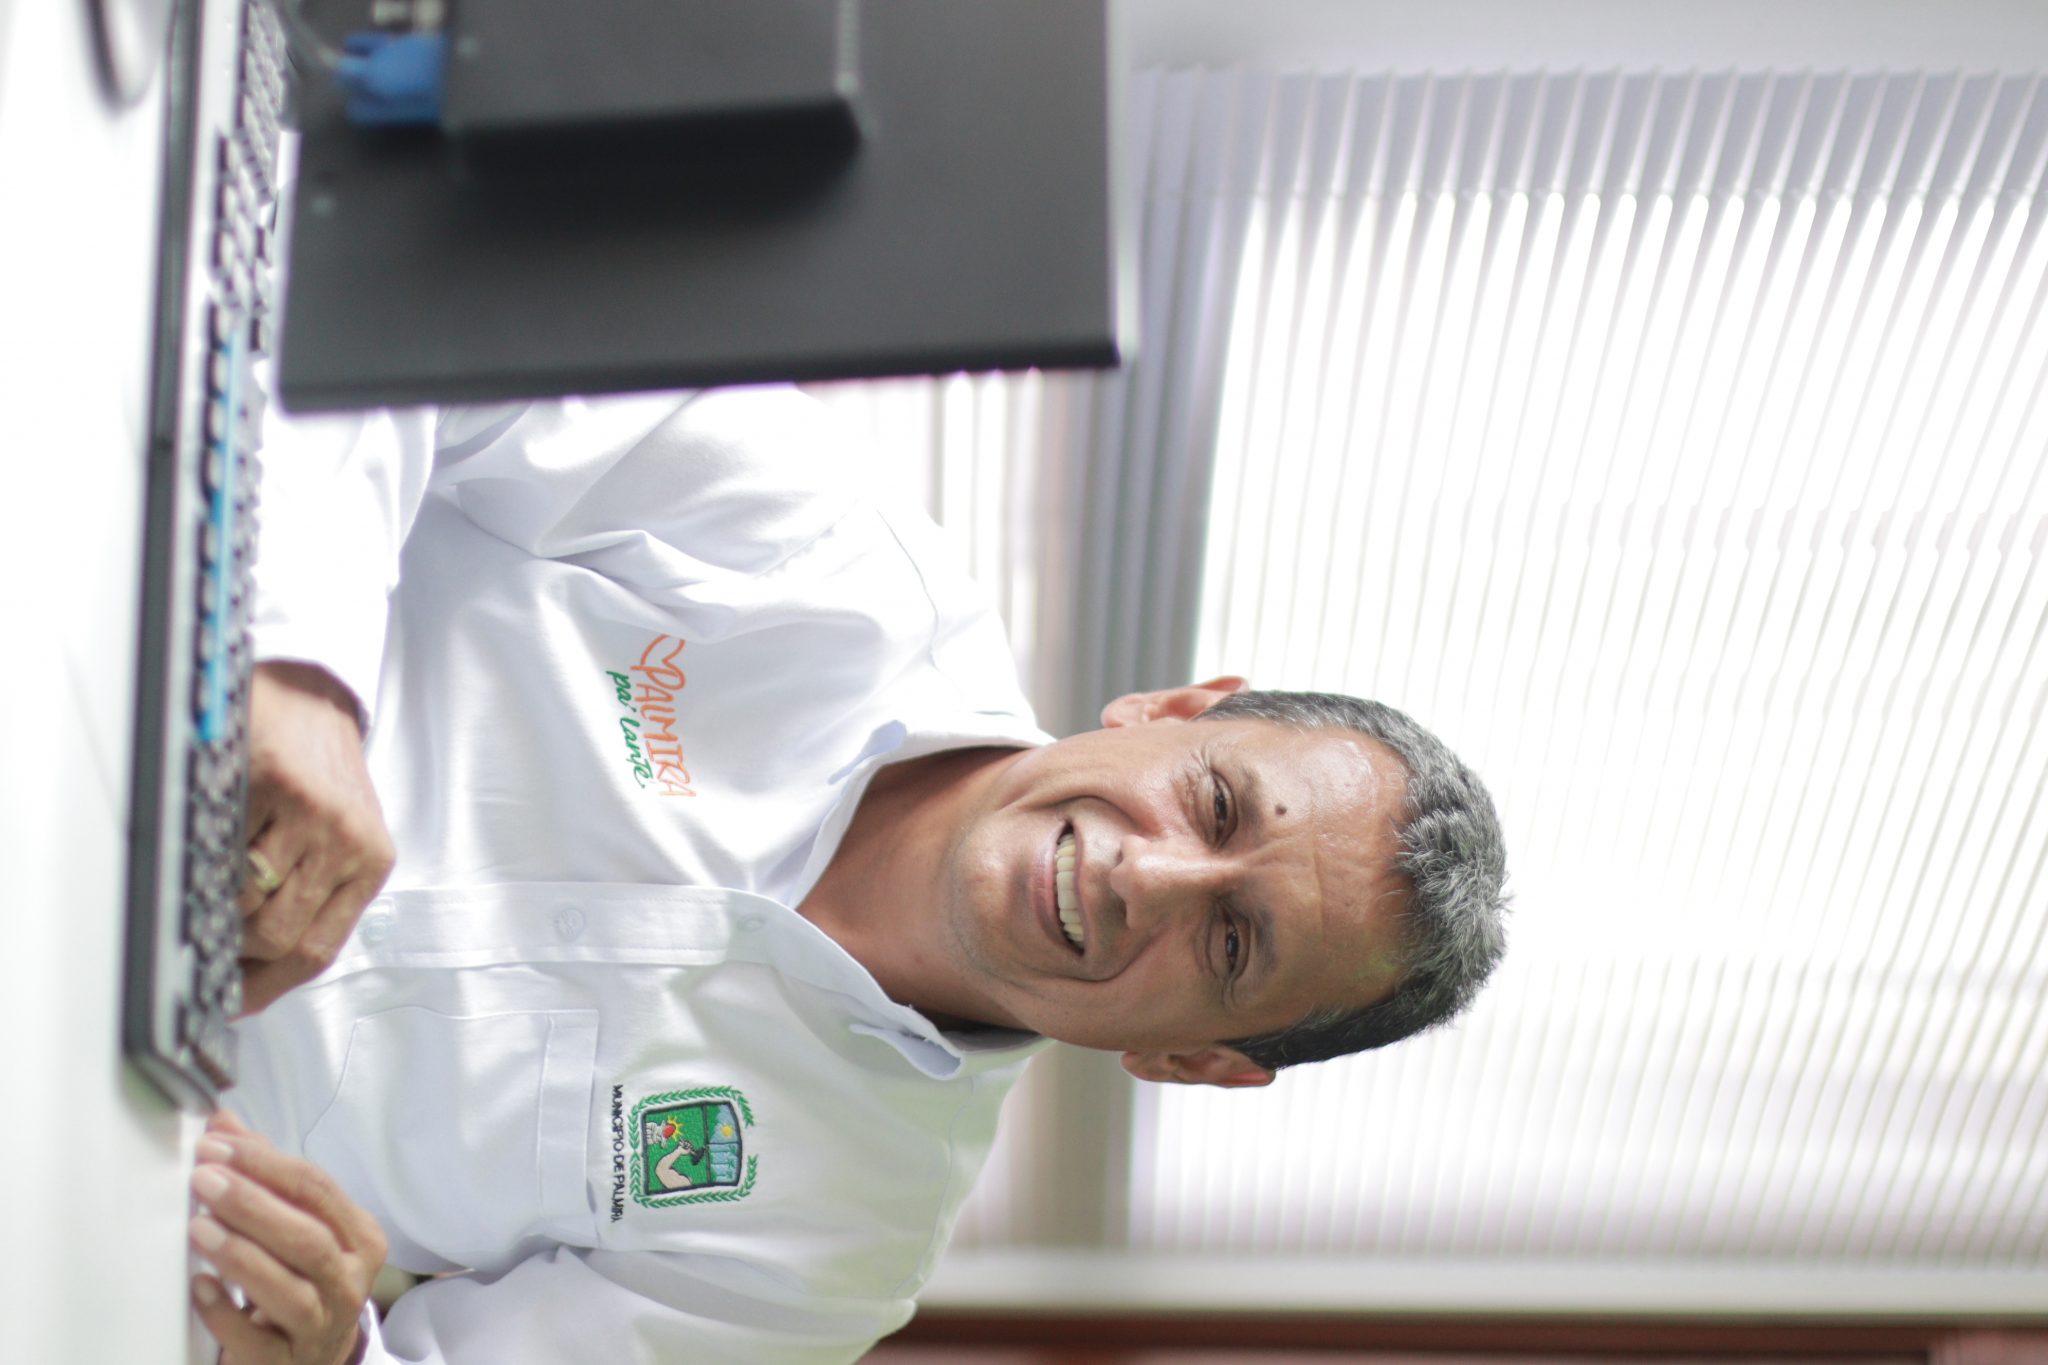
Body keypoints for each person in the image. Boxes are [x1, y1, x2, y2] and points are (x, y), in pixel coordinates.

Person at [186, 387, 1508, 1365]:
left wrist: (327, 1346)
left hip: (130, 1147)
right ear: (1169, 706)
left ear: (1194, 1061)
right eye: (1214, 803)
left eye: (1231, 941)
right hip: (135, 699)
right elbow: (402, 346)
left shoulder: (843, 1251)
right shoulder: (830, 548)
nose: (1143, 874)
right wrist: (299, 675)